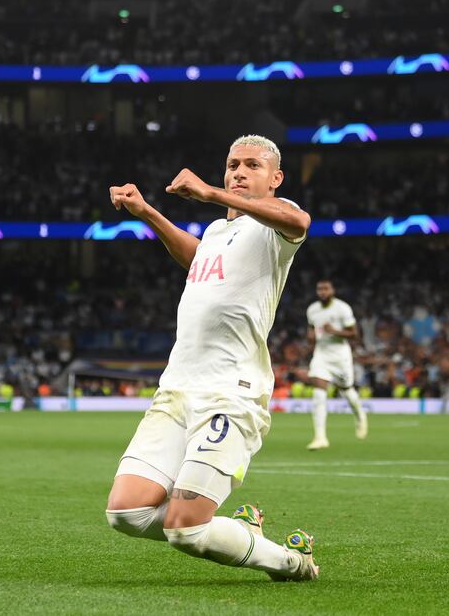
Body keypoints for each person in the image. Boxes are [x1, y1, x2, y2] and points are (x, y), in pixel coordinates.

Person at [104, 135, 319, 579]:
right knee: (125, 514)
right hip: (177, 388)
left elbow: (299, 220)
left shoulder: (274, 225)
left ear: (275, 178)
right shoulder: (220, 231)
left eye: (252, 166)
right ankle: (239, 531)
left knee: (186, 530)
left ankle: (290, 561)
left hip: (230, 392)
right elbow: (199, 256)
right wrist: (147, 213)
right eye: (232, 165)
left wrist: (211, 193)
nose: (239, 172)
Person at [305, 279, 367, 450]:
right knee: (318, 392)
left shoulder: (342, 308)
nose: (322, 292)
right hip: (321, 354)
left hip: (340, 355)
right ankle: (320, 437)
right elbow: (311, 329)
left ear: (333, 290)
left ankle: (360, 415)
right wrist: (310, 337)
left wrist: (335, 331)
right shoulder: (312, 310)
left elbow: (355, 334)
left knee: (346, 389)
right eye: (319, 289)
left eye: (326, 289)